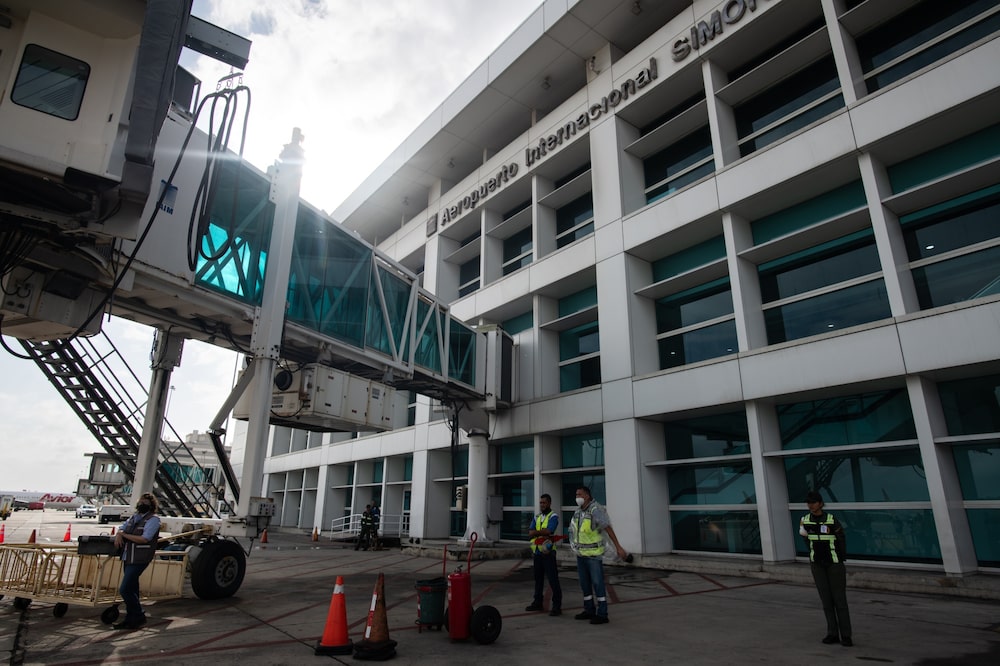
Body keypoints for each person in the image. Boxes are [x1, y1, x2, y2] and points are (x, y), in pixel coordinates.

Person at [800, 490, 853, 647]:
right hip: (817, 564)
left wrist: (840, 558)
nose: (810, 505)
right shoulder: (804, 521)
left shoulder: (831, 520)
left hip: (834, 563)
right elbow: (805, 540)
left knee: (839, 600)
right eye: (809, 502)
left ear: (820, 503)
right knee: (826, 600)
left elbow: (841, 539)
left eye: (813, 502)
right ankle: (832, 633)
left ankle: (846, 635)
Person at [568, 486, 627, 625]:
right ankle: (589, 610)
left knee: (598, 583)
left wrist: (618, 547)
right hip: (581, 555)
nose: (577, 497)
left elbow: (607, 528)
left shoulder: (595, 510)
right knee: (585, 584)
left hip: (593, 555)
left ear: (587, 496)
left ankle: (602, 613)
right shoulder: (578, 512)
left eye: (579, 494)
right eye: (576, 494)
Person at [113, 492, 161, 630]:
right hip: (128, 556)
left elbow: (145, 538)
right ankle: (131, 618)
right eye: (140, 502)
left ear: (151, 506)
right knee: (132, 588)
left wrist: (124, 535)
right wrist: (119, 534)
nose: (141, 505)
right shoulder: (134, 518)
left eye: (145, 503)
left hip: (140, 557)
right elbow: (122, 528)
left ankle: (138, 614)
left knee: (125, 589)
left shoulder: (153, 520)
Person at [525, 493, 562, 616]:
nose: (542, 505)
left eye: (544, 503)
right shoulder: (537, 517)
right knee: (538, 579)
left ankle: (557, 606)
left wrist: (536, 532)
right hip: (537, 552)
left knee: (553, 579)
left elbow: (549, 531)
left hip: (548, 552)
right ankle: (537, 602)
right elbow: (530, 533)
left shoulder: (554, 516)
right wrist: (540, 533)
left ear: (549, 503)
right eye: (540, 503)